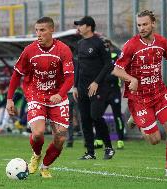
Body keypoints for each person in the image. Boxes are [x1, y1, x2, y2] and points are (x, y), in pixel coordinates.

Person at [112, 10, 167, 177]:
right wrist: (132, 79)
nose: (142, 28)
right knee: (155, 139)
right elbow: (116, 70)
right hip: (140, 98)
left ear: (153, 24)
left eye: (145, 24)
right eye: (139, 25)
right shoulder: (131, 45)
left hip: (159, 93)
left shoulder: (162, 42)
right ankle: (137, 118)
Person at [6, 17, 74, 178]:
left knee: (61, 137)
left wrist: (60, 94)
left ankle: (45, 166)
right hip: (36, 94)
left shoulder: (63, 50)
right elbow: (17, 74)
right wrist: (10, 99)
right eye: (36, 30)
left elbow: (70, 77)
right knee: (37, 133)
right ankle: (36, 156)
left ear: (52, 30)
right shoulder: (29, 50)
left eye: (42, 30)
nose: (38, 34)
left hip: (58, 97)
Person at [73, 16, 115, 160]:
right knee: (85, 119)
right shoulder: (79, 44)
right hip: (82, 87)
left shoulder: (100, 42)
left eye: (80, 25)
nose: (78, 27)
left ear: (89, 27)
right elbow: (78, 66)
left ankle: (108, 147)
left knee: (96, 116)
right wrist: (75, 86)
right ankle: (90, 152)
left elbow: (108, 64)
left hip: (98, 87)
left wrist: (96, 82)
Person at [94, 39, 125, 150]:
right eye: (104, 46)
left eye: (107, 45)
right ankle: (98, 139)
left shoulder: (116, 57)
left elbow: (117, 73)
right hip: (102, 92)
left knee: (117, 116)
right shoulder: (99, 58)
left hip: (114, 91)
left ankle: (120, 139)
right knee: (97, 115)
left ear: (111, 46)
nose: (106, 48)